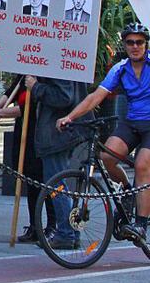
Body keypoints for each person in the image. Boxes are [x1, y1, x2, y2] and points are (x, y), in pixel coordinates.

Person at [58, 23, 150, 240]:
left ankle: (141, 224)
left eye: (139, 42)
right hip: (132, 121)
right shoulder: (121, 68)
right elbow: (95, 97)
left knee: (142, 165)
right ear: (124, 45)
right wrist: (70, 117)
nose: (135, 46)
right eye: (130, 42)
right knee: (107, 157)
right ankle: (127, 191)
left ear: (146, 45)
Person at [26, 75, 90, 249]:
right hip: (63, 132)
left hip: (57, 133)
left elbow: (63, 96)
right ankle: (71, 232)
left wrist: (36, 87)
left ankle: (66, 233)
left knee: (57, 186)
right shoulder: (62, 65)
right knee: (59, 186)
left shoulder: (58, 67)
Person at [0, 75, 51, 243]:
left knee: (45, 181)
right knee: (31, 181)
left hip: (41, 133)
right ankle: (35, 226)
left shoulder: (45, 78)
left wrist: (1, 113)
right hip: (24, 133)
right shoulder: (25, 74)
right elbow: (11, 93)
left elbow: (30, 106)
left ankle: (52, 226)